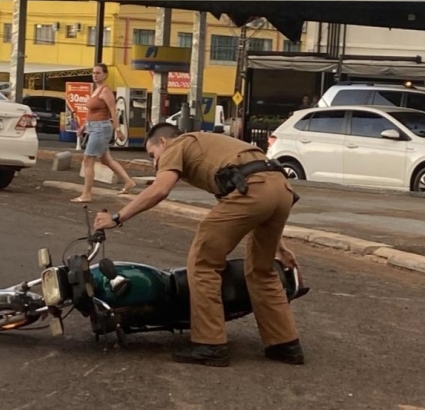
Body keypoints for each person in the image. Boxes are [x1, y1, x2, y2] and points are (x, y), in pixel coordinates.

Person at [94, 123, 304, 367]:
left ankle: (210, 345)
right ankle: (285, 345)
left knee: (203, 263)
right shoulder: (213, 148)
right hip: (281, 189)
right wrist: (279, 247)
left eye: (153, 156)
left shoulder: (177, 144)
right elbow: (259, 194)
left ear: (163, 143)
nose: (154, 163)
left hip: (254, 189)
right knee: (261, 269)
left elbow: (160, 189)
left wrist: (117, 217)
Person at [71, 63, 136, 203]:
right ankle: (129, 182)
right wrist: (83, 126)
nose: (95, 75)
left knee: (88, 160)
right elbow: (90, 112)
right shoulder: (96, 90)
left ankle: (86, 194)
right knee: (106, 159)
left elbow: (113, 111)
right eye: (93, 72)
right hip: (93, 127)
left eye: (98, 73)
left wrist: (118, 130)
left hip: (101, 128)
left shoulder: (105, 91)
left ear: (105, 74)